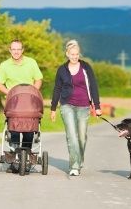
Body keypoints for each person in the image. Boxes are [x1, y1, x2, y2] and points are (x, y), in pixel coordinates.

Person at [50, 39, 102, 176]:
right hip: (67, 105)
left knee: (82, 138)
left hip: (84, 106)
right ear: (67, 54)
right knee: (71, 136)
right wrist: (53, 108)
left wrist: (96, 106)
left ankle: (79, 159)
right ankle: (74, 166)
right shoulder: (62, 70)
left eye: (77, 54)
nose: (75, 56)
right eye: (72, 54)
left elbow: (93, 86)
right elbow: (57, 88)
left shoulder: (86, 67)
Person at [0, 39, 43, 150]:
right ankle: (15, 153)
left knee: (29, 129)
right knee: (14, 127)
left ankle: (26, 153)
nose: (16, 52)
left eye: (18, 49)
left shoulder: (31, 62)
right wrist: (9, 92)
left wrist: (33, 92)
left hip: (29, 102)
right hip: (14, 103)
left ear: (22, 50)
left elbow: (38, 79)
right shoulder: (5, 65)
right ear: (10, 50)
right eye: (13, 49)